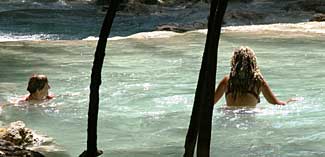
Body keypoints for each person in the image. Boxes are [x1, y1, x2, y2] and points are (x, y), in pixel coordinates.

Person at [214, 46, 292, 107]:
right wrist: (288, 102)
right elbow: (275, 103)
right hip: (249, 118)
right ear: (253, 62)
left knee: (224, 107)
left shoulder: (227, 81)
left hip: (230, 116)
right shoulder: (258, 81)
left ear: (234, 61)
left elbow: (211, 102)